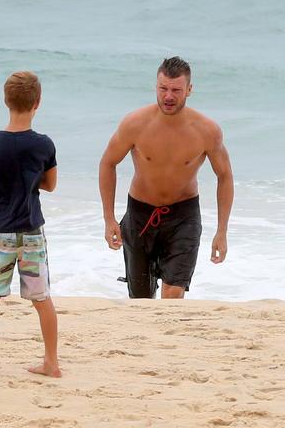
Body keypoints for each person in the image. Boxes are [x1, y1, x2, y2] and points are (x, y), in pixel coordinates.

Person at [98, 56, 233, 299]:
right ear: (156, 87)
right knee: (141, 299)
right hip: (140, 215)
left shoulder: (207, 131)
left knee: (172, 295)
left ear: (189, 90)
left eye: (176, 90)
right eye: (163, 89)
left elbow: (225, 176)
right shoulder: (135, 124)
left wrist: (222, 231)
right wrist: (109, 218)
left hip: (184, 216)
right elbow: (108, 163)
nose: (168, 96)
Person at [0, 71, 61, 377]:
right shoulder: (43, 144)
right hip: (31, 232)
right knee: (41, 299)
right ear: (37, 103)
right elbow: (50, 184)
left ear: (6, 101)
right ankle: (51, 363)